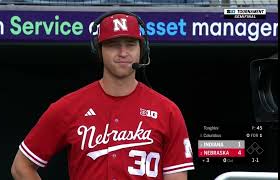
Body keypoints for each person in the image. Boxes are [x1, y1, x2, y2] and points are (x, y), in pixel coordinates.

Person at [11, 10, 195, 180]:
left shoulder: (167, 111)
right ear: (99, 50)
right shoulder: (69, 107)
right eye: (113, 45)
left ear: (142, 49)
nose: (123, 53)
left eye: (131, 44)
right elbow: (21, 166)